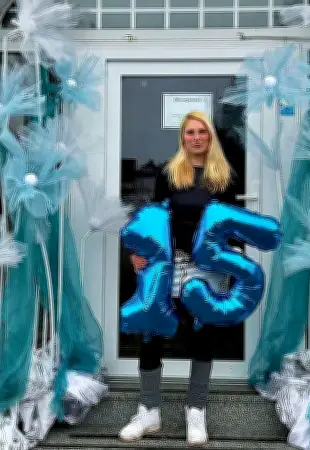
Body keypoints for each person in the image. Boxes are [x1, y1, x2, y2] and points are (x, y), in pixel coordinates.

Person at [119, 110, 242, 446]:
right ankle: (149, 411)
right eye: (190, 132)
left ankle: (196, 410)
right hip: (169, 262)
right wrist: (139, 250)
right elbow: (153, 217)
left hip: (208, 265)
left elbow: (233, 223)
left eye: (202, 132)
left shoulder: (225, 176)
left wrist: (234, 259)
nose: (196, 138)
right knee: (152, 329)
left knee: (202, 332)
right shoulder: (169, 173)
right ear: (182, 137)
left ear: (210, 136)